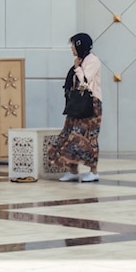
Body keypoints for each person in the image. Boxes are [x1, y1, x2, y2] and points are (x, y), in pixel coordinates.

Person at [47, 32, 102, 182]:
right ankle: (73, 170)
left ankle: (93, 170)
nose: (71, 48)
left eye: (73, 44)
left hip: (91, 105)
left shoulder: (93, 60)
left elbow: (85, 80)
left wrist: (78, 68)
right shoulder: (80, 60)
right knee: (69, 134)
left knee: (88, 137)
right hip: (77, 105)